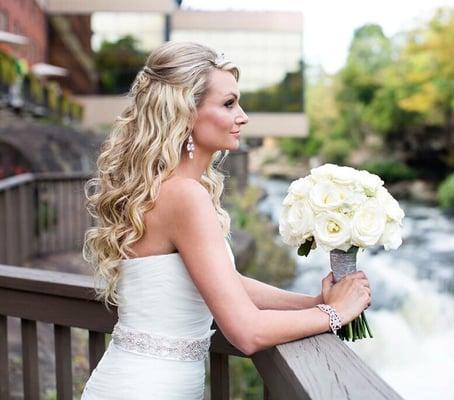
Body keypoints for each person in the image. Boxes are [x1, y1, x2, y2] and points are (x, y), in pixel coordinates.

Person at [80, 41, 371, 399]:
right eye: (229, 103)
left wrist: (312, 304)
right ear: (186, 113)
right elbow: (246, 332)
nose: (243, 116)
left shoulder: (167, 188)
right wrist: (336, 313)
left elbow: (227, 283)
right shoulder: (185, 195)